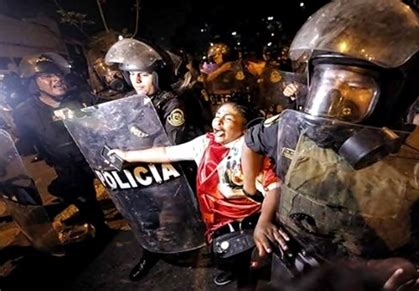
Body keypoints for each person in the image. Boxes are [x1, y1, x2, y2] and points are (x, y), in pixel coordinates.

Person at [242, 0, 419, 290]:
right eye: (327, 82)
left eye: (355, 86)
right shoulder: (291, 129)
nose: (335, 99)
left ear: (397, 92)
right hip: (289, 273)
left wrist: (404, 272)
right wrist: (259, 206)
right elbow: (251, 142)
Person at [109, 102, 281, 290]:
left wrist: (264, 222)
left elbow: (273, 187)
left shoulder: (250, 152)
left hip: (244, 226)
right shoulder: (205, 143)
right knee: (225, 255)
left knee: (246, 273)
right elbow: (167, 152)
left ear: (244, 128)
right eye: (218, 115)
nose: (219, 120)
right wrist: (126, 155)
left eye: (228, 118)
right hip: (215, 223)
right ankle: (231, 267)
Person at [105, 38, 195, 281]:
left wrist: (132, 152)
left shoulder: (171, 103)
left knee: (169, 217)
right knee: (144, 217)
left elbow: (170, 145)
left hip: (163, 174)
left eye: (143, 75)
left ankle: (172, 250)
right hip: (135, 173)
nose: (136, 81)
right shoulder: (128, 102)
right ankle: (149, 251)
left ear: (156, 76)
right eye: (131, 75)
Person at [13, 53, 110, 239]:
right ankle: (101, 230)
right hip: (67, 166)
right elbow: (25, 141)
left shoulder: (82, 97)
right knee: (86, 202)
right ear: (33, 83)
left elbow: (112, 110)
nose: (57, 78)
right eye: (48, 76)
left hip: (99, 156)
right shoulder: (25, 113)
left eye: (58, 74)